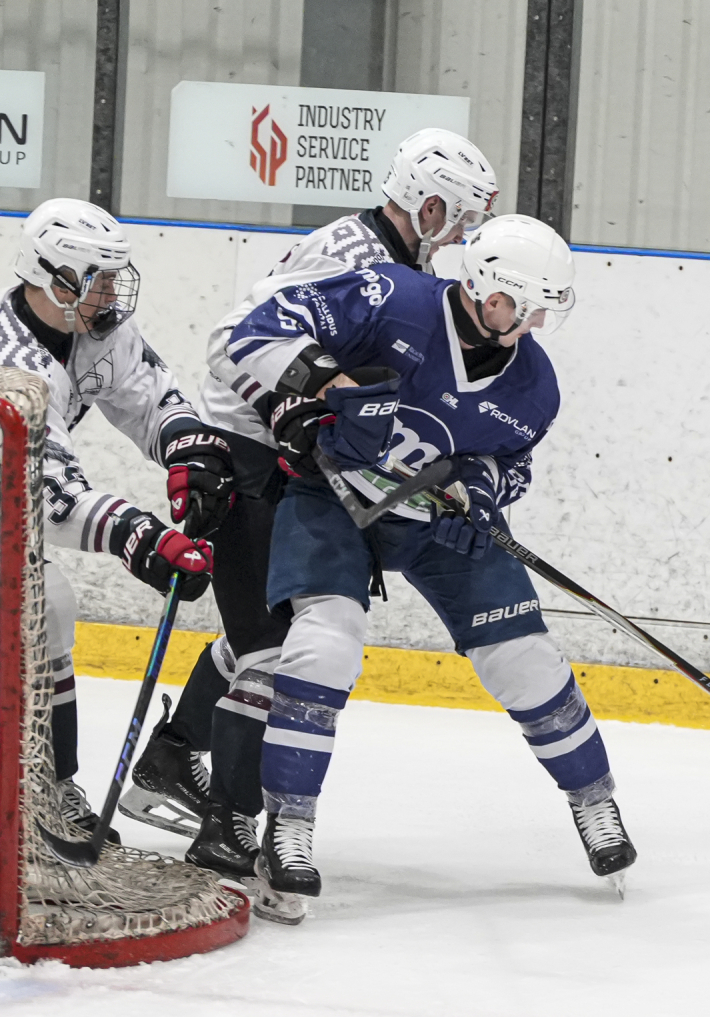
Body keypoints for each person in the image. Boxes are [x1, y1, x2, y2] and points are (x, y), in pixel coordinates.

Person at [220, 212, 635, 922]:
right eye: (530, 306)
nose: (537, 322)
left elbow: (513, 464)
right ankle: (289, 827)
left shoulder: (535, 384)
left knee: (526, 660)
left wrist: (479, 488)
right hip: (331, 497)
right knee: (324, 642)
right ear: (492, 296)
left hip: (438, 524)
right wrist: (330, 384)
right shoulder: (389, 298)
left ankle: (595, 803)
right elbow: (254, 331)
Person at [121, 129, 500, 881]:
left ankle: (172, 755)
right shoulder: (348, 255)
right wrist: (291, 406)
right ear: (428, 207)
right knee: (274, 646)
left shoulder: (406, 264)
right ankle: (227, 822)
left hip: (298, 461)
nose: (463, 236)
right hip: (252, 458)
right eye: (459, 218)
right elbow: (233, 344)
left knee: (277, 633)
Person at [0, 197, 230, 838]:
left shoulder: (94, 325)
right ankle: (41, 778)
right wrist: (137, 535)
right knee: (41, 601)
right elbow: (50, 497)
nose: (110, 293)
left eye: (114, 277)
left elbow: (151, 399)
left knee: (45, 606)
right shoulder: (3, 356)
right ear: (49, 276)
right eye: (96, 278)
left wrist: (189, 447)